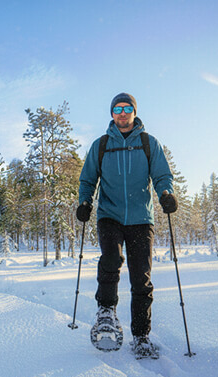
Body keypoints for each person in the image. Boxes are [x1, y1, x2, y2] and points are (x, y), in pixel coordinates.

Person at [76, 92, 177, 356]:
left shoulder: (148, 143)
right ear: (112, 114)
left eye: (127, 108)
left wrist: (166, 194)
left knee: (141, 278)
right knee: (110, 260)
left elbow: (162, 174)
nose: (122, 112)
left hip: (141, 219)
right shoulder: (101, 145)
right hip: (109, 214)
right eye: (118, 108)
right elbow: (87, 179)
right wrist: (85, 202)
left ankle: (141, 336)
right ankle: (106, 313)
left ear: (134, 112)